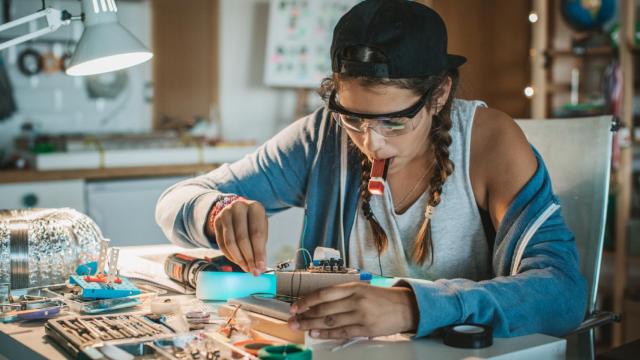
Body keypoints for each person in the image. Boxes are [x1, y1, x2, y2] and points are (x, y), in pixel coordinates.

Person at [156, 0, 586, 340]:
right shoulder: (323, 136)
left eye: (393, 122)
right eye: (353, 117)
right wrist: (216, 210)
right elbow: (173, 201)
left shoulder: (490, 142)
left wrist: (412, 307)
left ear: (439, 94)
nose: (370, 141)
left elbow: (563, 292)